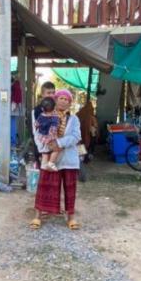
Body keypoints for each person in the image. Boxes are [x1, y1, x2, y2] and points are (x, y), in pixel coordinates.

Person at [30, 89, 82, 230]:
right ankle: (38, 215)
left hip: (68, 159)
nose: (64, 101)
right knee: (44, 186)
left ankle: (71, 217)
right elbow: (37, 133)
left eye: (67, 100)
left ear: (70, 104)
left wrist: (58, 143)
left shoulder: (74, 119)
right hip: (49, 158)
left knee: (70, 189)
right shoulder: (45, 116)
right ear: (56, 100)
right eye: (61, 98)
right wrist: (45, 147)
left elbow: (76, 136)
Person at [35, 96, 62, 171]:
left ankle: (43, 166)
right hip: (49, 138)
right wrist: (53, 138)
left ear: (42, 109)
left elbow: (36, 124)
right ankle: (51, 163)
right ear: (54, 108)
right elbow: (53, 130)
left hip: (41, 138)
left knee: (45, 153)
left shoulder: (41, 115)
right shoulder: (54, 118)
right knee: (56, 150)